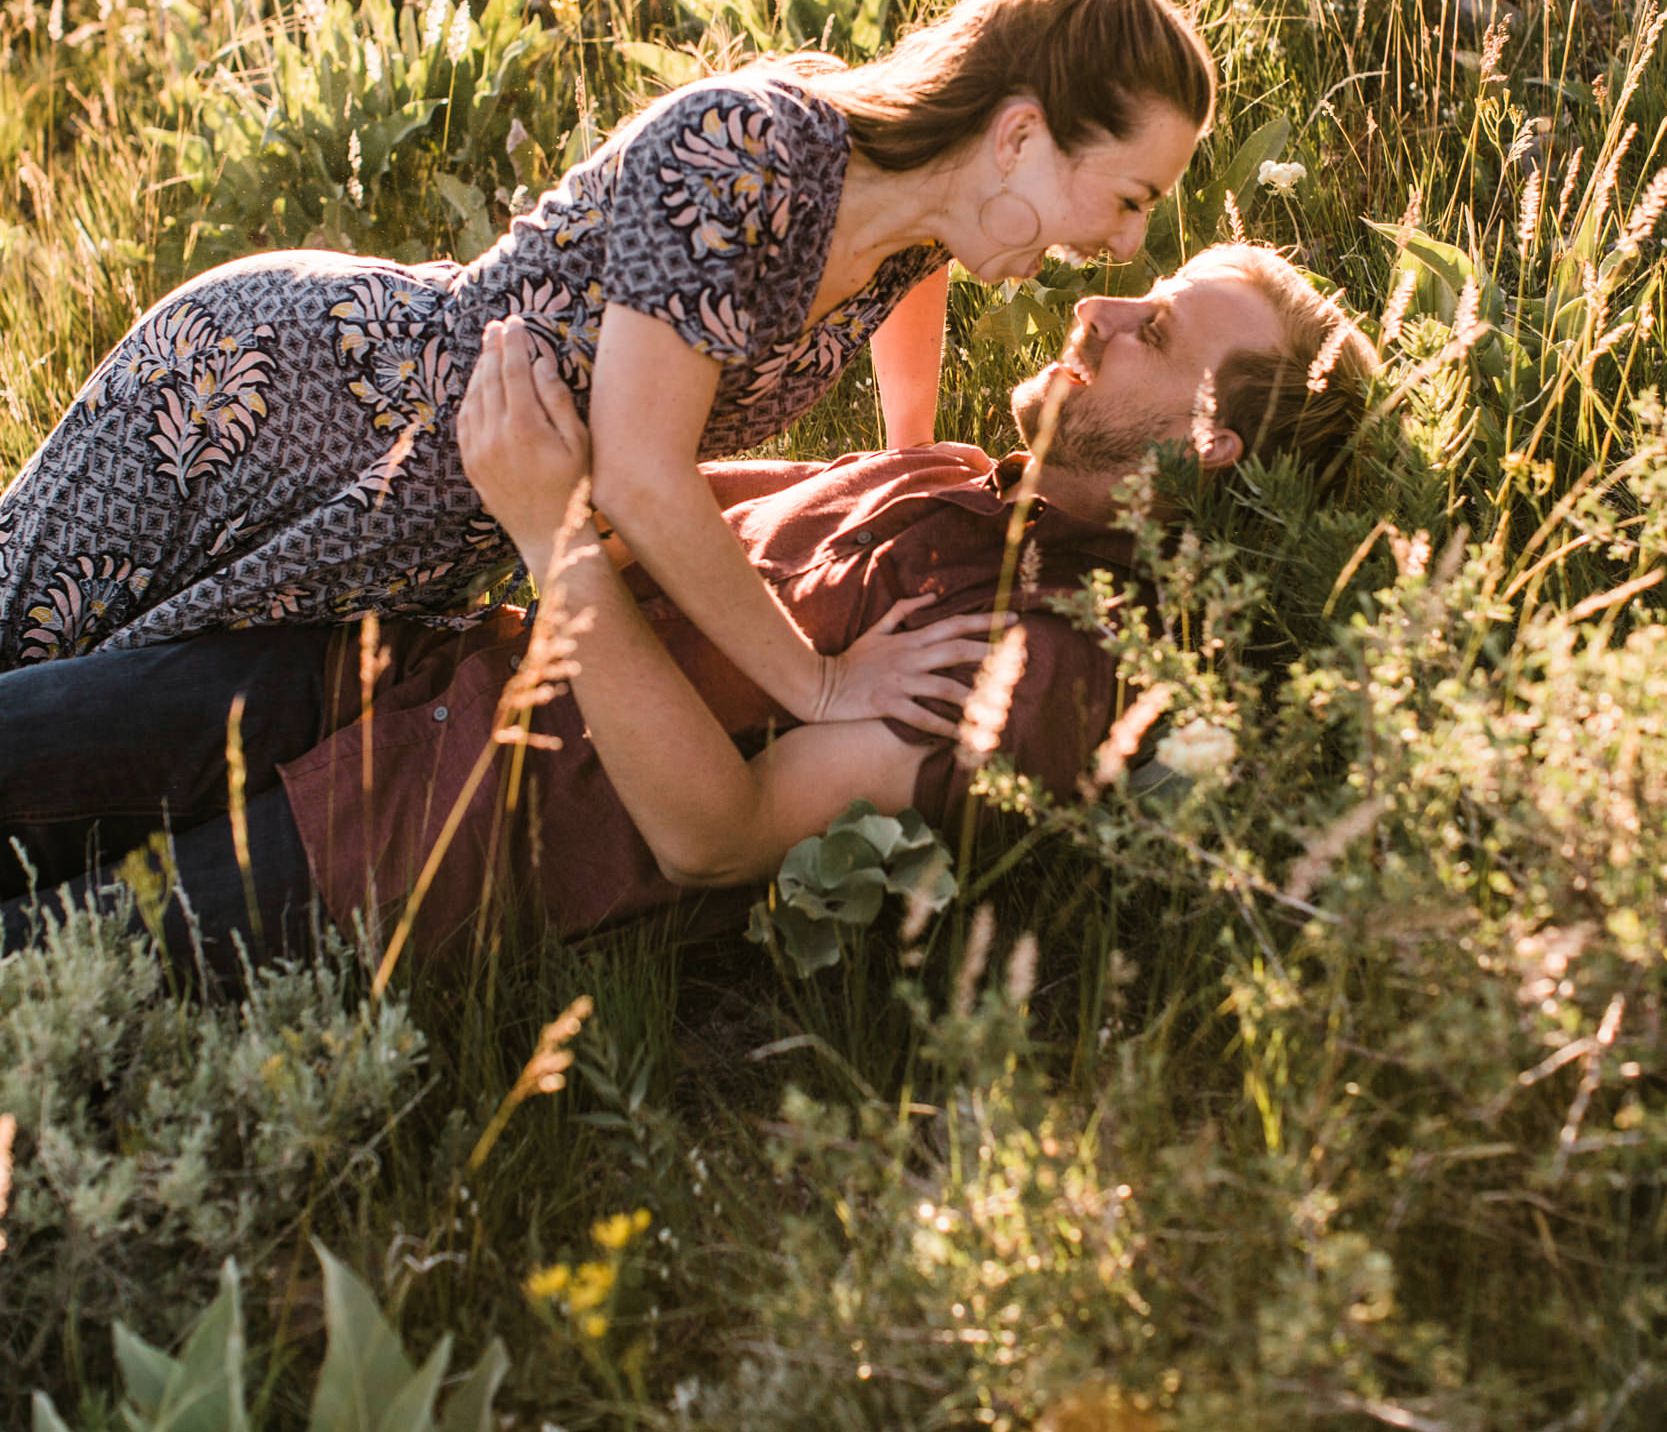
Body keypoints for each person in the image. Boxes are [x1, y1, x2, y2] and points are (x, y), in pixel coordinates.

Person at [0, 245, 1379, 980]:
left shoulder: (1042, 676)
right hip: (370, 674)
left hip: (410, 849)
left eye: (1156, 330)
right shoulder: (959, 481)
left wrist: (549, 535)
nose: (1099, 305)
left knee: (34, 972)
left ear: (1212, 447)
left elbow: (711, 838)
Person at [0, 0, 1212, 748]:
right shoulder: (750, 151)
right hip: (280, 404)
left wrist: (903, 450)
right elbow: (637, 474)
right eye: (1127, 196)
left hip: (407, 535)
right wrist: (819, 681)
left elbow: (912, 293)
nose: (1121, 246)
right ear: (1016, 136)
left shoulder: (918, 223)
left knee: (70, 730)